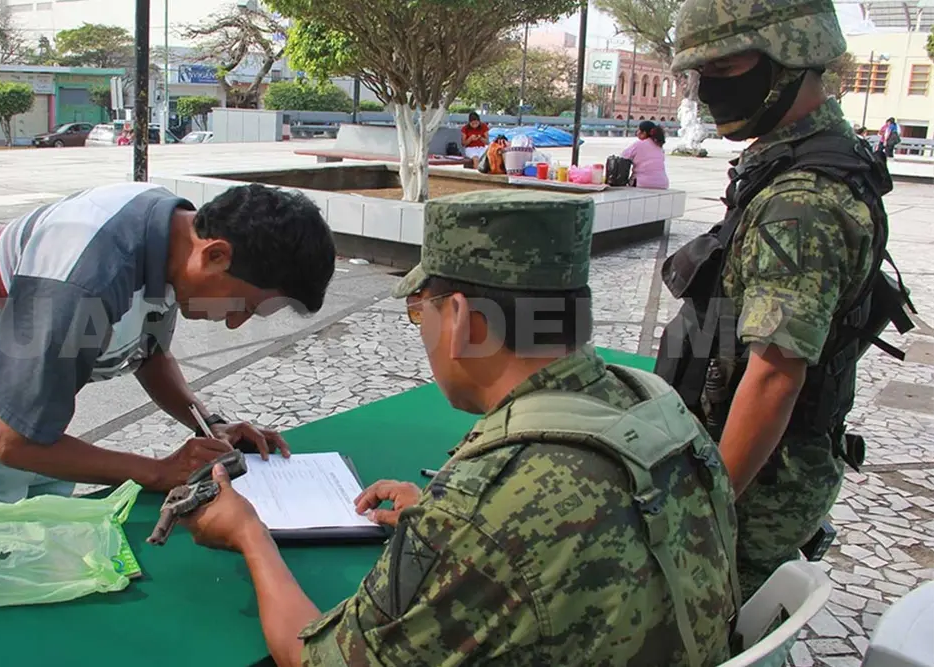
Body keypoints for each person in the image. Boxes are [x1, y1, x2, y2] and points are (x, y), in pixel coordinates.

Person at [178, 190, 741, 667]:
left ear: (465, 322)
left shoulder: (484, 502)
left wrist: (248, 534)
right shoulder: (657, 402)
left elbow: (317, 660)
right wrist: (440, 518)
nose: (421, 329)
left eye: (422, 310)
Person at [0, 182, 338, 529]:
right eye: (246, 305)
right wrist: (156, 471)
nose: (236, 323)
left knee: (37, 548)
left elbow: (149, 352)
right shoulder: (84, 277)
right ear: (217, 254)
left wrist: (210, 423)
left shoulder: (173, 234)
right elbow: (17, 444)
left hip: (28, 414)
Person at [656, 0, 913, 600]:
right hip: (755, 463)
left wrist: (705, 514)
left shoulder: (800, 203)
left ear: (793, 53)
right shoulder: (803, 159)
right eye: (703, 73)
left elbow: (773, 379)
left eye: (728, 67)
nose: (710, 89)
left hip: (755, 487)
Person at [620, 120, 670, 189]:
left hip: (643, 183)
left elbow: (623, 156)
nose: (637, 133)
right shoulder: (659, 146)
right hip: (663, 183)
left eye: (638, 130)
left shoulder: (639, 144)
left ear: (644, 133)